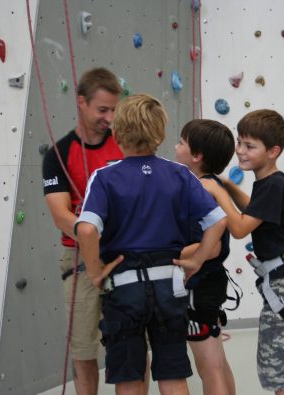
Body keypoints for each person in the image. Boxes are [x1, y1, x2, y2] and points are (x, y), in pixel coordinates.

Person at [75, 93, 227, 395]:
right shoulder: (180, 174)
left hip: (124, 289)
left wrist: (94, 272)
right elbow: (218, 221)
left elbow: (88, 230)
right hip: (169, 287)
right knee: (173, 374)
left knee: (130, 377)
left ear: (116, 134)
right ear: (160, 134)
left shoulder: (105, 178)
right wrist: (196, 261)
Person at [189, 109, 284, 395]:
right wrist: (230, 186)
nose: (240, 151)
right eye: (239, 143)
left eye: (249, 146)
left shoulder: (272, 185)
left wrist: (218, 192)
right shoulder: (272, 182)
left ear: (273, 151)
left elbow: (240, 228)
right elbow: (254, 209)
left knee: (277, 371)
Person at [42, 67, 151, 395]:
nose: (110, 117)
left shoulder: (125, 146)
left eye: (114, 110)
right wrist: (92, 235)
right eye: (102, 109)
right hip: (79, 260)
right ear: (81, 102)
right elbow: (61, 215)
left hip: (126, 256)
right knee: (84, 350)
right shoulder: (59, 154)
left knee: (133, 342)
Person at [174, 119, 236, 395]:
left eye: (181, 142)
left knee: (208, 366)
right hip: (212, 282)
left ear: (197, 156)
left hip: (200, 286)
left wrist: (168, 254)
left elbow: (210, 247)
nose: (176, 146)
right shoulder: (211, 184)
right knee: (218, 362)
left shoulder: (201, 188)